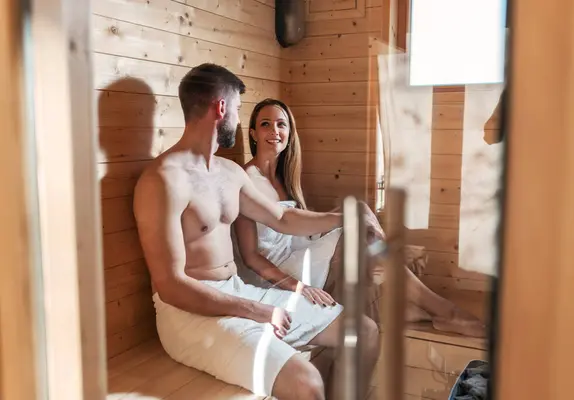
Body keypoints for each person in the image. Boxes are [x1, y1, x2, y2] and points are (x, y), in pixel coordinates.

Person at [132, 63, 379, 400]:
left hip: (236, 291)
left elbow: (283, 219)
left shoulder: (229, 172)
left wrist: (344, 215)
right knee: (306, 383)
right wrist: (257, 311)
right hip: (188, 316)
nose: (237, 117)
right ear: (221, 107)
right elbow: (171, 286)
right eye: (237, 108)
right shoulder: (163, 179)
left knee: (364, 332)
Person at [233, 98, 486, 338]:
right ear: (253, 133)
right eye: (265, 124)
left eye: (281, 124)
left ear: (289, 133)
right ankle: (444, 310)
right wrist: (298, 287)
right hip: (278, 275)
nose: (274, 130)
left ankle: (424, 310)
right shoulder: (246, 179)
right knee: (359, 236)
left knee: (360, 212)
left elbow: (299, 229)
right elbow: (251, 257)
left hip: (300, 255)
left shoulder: (284, 178)